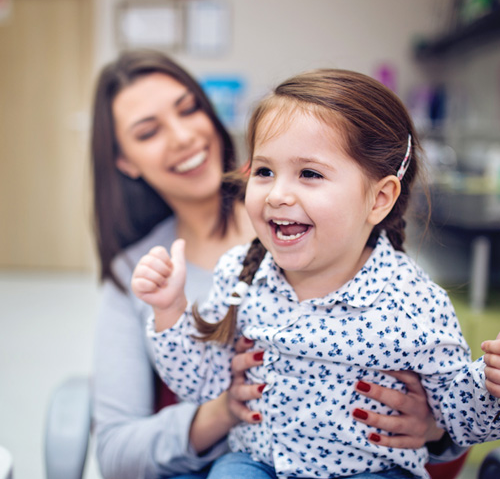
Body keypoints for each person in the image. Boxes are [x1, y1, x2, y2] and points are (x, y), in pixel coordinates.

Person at [91, 49, 463, 479]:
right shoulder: (137, 273)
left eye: (188, 108)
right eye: (148, 131)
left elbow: (453, 437)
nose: (181, 137)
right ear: (124, 160)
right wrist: (223, 412)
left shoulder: (356, 252)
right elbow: (115, 453)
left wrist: (434, 430)